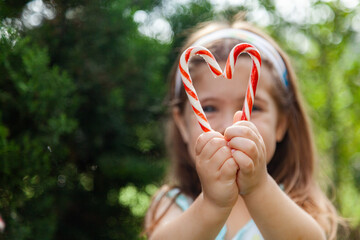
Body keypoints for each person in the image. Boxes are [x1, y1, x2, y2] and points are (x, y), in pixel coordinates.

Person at [144, 15, 341, 240]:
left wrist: (258, 187)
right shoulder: (172, 204)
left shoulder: (302, 203)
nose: (230, 126)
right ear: (182, 125)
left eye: (253, 107)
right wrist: (213, 205)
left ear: (281, 123)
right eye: (208, 108)